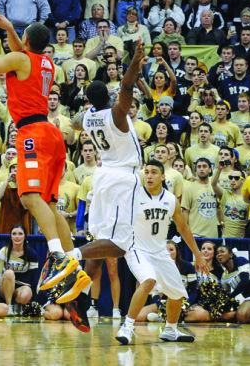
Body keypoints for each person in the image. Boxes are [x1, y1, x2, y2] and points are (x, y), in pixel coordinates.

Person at [0, 8, 89, 330]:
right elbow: (22, 53)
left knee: (29, 199)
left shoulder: (22, 60)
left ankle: (57, 257)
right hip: (51, 133)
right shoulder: (45, 61)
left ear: (25, 41)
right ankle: (73, 259)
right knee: (48, 204)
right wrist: (9, 26)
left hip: (31, 133)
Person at [65, 39, 145, 319]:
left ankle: (82, 298)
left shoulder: (87, 117)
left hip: (102, 176)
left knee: (100, 241)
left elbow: (74, 122)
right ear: (109, 98)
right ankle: (70, 257)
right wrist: (134, 62)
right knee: (120, 244)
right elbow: (125, 88)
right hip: (123, 178)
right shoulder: (116, 114)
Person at [115, 160, 210, 344]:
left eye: (153, 172)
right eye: (147, 172)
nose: (149, 176)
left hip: (159, 251)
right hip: (137, 249)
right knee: (149, 280)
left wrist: (198, 254)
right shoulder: (133, 195)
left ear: (163, 176)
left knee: (177, 293)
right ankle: (127, 326)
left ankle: (170, 329)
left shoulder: (171, 199)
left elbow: (183, 227)